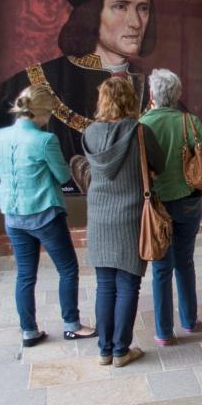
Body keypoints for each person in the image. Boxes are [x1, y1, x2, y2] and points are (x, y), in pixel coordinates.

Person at [0, 0, 160, 195]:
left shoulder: (154, 87)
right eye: (120, 6)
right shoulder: (31, 82)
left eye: (143, 9)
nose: (136, 23)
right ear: (91, 13)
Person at [0, 85, 96, 347]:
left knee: (25, 275)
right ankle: (71, 325)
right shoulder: (45, 140)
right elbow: (62, 176)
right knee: (68, 269)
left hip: (13, 215)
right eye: (48, 113)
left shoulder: (1, 136)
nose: (49, 118)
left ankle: (29, 331)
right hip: (44, 214)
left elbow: (0, 169)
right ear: (42, 113)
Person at [82, 77, 164, 367]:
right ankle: (120, 350)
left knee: (105, 285)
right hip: (131, 217)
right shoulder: (140, 132)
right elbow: (160, 165)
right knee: (129, 285)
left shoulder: (90, 133)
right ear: (131, 99)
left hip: (100, 217)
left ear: (102, 100)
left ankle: (105, 350)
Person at [139, 69, 202, 346]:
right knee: (185, 262)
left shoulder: (143, 124)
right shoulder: (190, 122)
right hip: (187, 203)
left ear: (152, 95)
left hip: (157, 206)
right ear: (178, 95)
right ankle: (189, 320)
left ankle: (164, 332)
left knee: (162, 268)